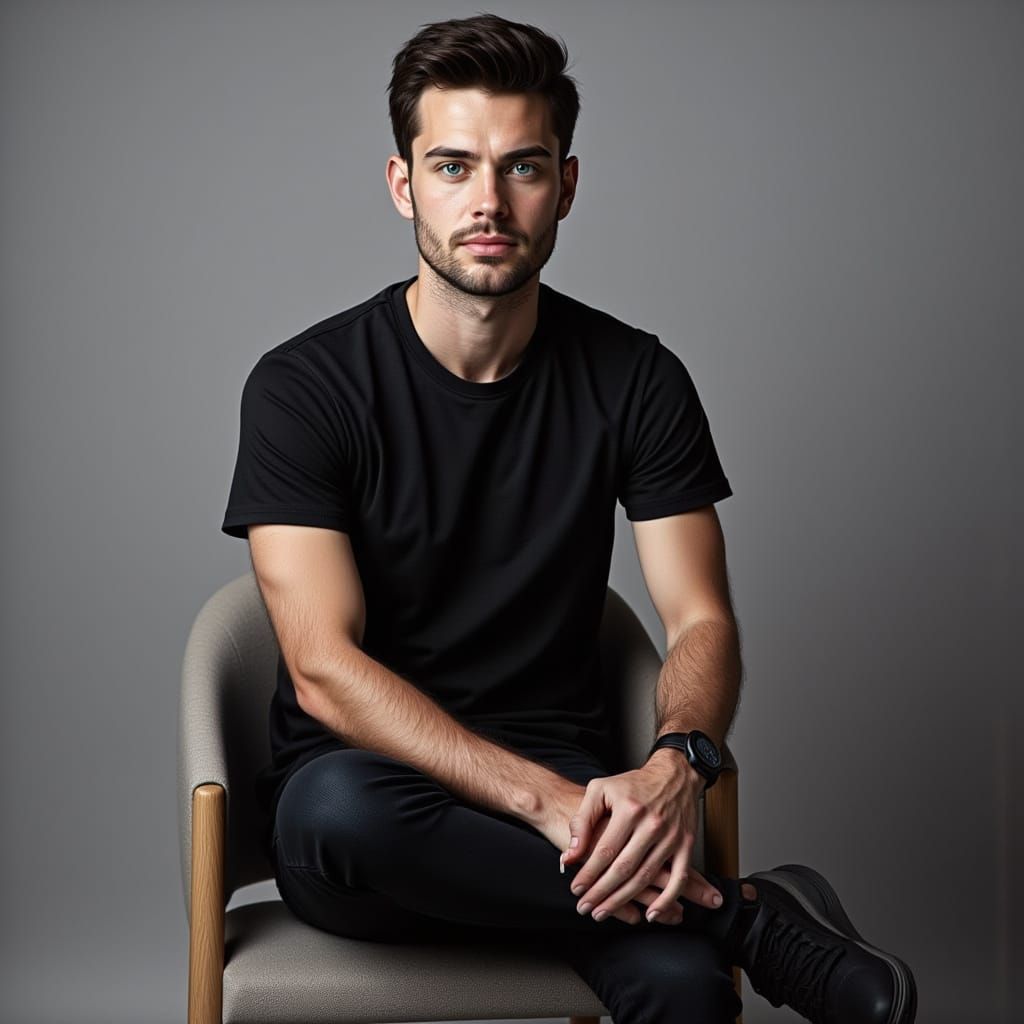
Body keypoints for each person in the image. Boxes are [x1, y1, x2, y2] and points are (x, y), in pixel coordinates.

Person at [221, 13, 916, 1024]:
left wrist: (680, 759)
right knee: (334, 812)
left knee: (682, 996)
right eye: (453, 166)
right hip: (381, 818)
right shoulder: (304, 387)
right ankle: (748, 920)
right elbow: (323, 669)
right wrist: (544, 805)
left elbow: (701, 620)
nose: (488, 202)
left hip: (583, 806)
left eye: (523, 167)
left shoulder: (637, 378)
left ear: (568, 185)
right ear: (402, 183)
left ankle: (697, 929)